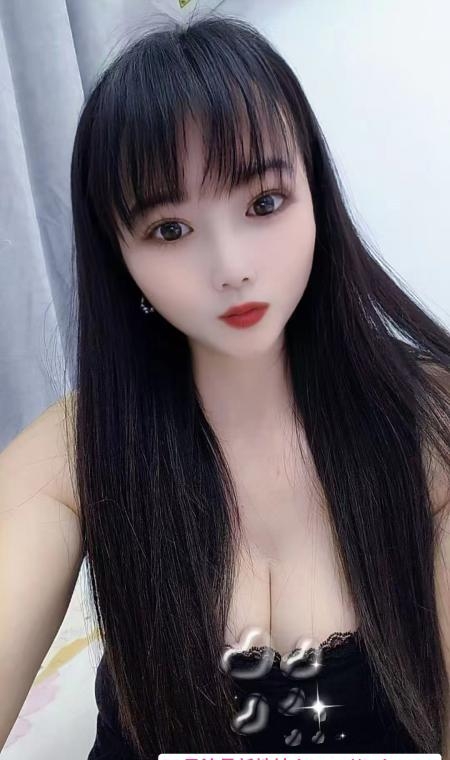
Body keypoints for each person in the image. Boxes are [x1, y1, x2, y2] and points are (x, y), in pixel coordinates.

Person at [1, 13, 450, 759]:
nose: (231, 266)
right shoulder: (79, 447)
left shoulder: (428, 424)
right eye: (169, 230)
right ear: (120, 257)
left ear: (315, 195)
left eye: (264, 203)